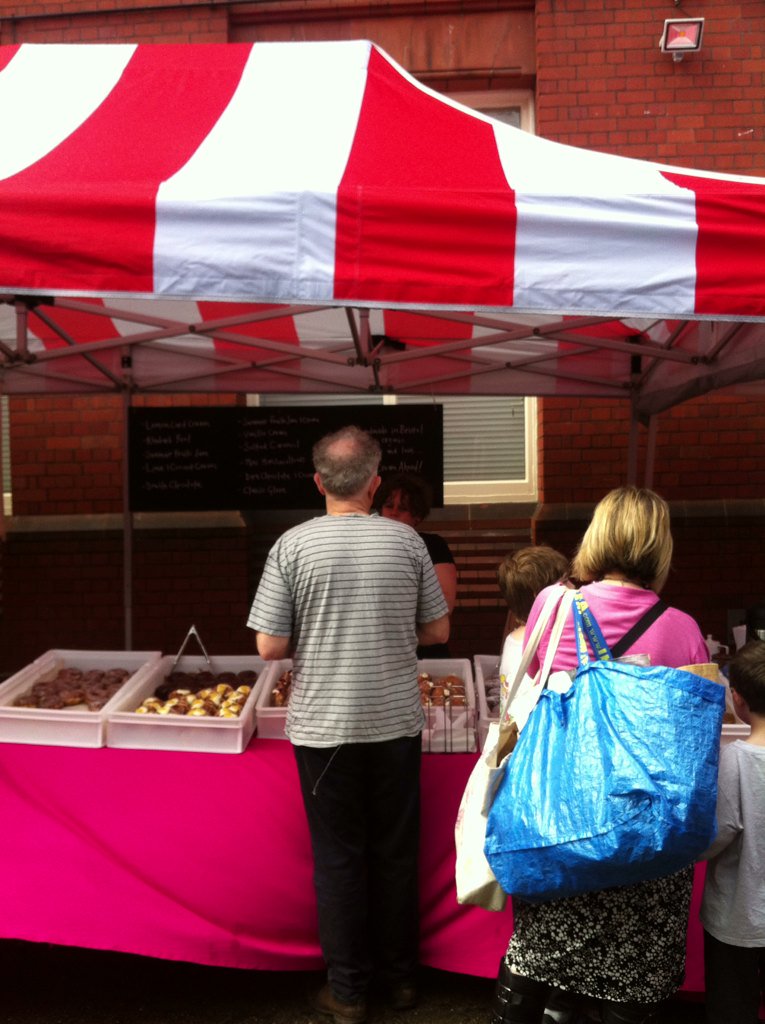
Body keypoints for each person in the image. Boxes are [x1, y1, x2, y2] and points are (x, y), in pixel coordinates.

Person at [247, 425, 449, 1024]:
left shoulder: (291, 546)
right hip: (394, 724)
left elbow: (269, 645)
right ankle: (402, 981)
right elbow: (438, 632)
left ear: (318, 482)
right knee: (394, 852)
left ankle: (349, 992)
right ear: (375, 482)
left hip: (323, 729)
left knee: (339, 858)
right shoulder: (407, 545)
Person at [491, 486, 709, 1024]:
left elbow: (545, 675)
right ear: (660, 549)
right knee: (634, 966)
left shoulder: (553, 605)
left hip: (562, 808)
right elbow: (689, 737)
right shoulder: (682, 630)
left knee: (542, 946)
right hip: (642, 819)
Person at [699, 638, 765, 1024]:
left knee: (732, 1008)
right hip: (737, 918)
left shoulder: (734, 762)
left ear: (736, 699)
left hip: (736, 917)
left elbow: (717, 834)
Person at [374, 472, 457, 658]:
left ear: (417, 517)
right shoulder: (369, 545)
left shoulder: (434, 546)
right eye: (388, 506)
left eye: (402, 508)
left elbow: (443, 608)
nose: (393, 512)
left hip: (426, 653)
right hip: (380, 655)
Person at [496, 545, 570, 710]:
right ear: (541, 596)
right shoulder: (550, 645)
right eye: (565, 582)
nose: (573, 587)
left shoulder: (513, 639)